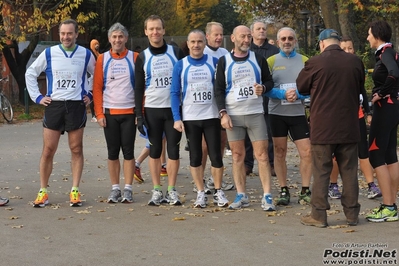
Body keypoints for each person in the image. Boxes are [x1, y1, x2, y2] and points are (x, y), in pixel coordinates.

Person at [25, 19, 96, 207]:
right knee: (48, 150)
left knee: (76, 149)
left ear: (76, 34)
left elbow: (96, 75)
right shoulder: (49, 53)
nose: (66, 37)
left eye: (69, 33)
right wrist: (38, 98)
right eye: (63, 33)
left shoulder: (86, 54)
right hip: (54, 105)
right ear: (59, 34)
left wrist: (89, 94)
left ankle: (74, 191)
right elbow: (30, 73)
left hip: (76, 105)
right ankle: (43, 191)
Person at [297, 29, 363, 227]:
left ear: (322, 44)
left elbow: (301, 87)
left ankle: (319, 215)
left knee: (322, 170)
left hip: (323, 127)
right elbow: (360, 87)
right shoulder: (355, 62)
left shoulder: (315, 62)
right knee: (350, 170)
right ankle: (352, 214)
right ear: (338, 42)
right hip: (349, 127)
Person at [215, 25, 275, 211]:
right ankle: (241, 195)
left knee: (262, 155)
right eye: (243, 36)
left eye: (249, 36)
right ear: (233, 38)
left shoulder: (258, 59)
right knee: (238, 156)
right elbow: (218, 89)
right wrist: (223, 113)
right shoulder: (224, 61)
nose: (247, 40)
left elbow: (269, 81)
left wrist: (263, 88)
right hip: (234, 115)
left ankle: (267, 195)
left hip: (255, 114)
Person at [171, 29, 229, 208]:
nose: (196, 45)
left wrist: (222, 112)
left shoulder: (215, 62)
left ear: (205, 44)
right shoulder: (180, 65)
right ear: (188, 44)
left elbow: (221, 88)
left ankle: (218, 192)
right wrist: (177, 118)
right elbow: (174, 93)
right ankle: (201, 192)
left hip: (211, 116)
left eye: (200, 42)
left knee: (216, 156)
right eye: (193, 42)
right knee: (195, 157)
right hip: (191, 118)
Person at [134, 15, 185, 206]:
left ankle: (171, 190)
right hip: (152, 110)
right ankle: (156, 190)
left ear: (164, 30)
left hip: (173, 110)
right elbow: (138, 88)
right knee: (155, 151)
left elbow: (185, 79)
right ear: (146, 32)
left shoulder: (176, 52)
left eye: (158, 28)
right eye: (151, 29)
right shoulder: (143, 57)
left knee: (173, 151)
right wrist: (139, 116)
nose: (155, 32)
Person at [328, 37, 382, 200]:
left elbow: (361, 92)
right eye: (343, 48)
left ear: (354, 50)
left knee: (363, 151)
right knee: (337, 153)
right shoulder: (334, 67)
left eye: (350, 48)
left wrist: (368, 112)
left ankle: (371, 185)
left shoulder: (357, 66)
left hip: (356, 115)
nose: (347, 51)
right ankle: (333, 185)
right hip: (338, 118)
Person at [264, 27, 312, 205]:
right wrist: (282, 94)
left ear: (295, 41)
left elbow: (313, 88)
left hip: (297, 113)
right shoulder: (270, 61)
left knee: (307, 152)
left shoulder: (305, 61)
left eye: (290, 38)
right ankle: (283, 189)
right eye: (283, 38)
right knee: (279, 151)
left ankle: (305, 190)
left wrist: (299, 95)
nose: (287, 41)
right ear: (277, 42)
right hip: (277, 114)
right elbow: (265, 88)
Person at [92, 23, 138, 203]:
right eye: (114, 37)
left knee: (128, 151)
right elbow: (97, 88)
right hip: (110, 113)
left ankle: (128, 188)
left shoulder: (135, 57)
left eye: (120, 37)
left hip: (129, 113)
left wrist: (139, 113)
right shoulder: (102, 59)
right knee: (112, 152)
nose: (117, 40)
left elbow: (141, 88)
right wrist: (99, 114)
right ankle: (115, 188)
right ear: (109, 39)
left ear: (126, 38)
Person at [365, 21, 399, 223]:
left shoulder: (386, 52)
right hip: (393, 107)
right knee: (389, 155)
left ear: (377, 35)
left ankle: (388, 206)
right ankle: (392, 204)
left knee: (375, 155)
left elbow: (394, 73)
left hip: (386, 107)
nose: (367, 38)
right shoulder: (391, 51)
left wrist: (380, 93)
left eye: (369, 34)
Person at [200, 21, 234, 193]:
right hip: (205, 106)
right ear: (207, 36)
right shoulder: (201, 52)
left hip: (221, 105)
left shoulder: (225, 53)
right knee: (205, 146)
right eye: (216, 34)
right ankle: (201, 179)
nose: (219, 37)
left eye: (221, 34)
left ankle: (215, 178)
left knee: (221, 142)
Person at [247, 20, 279, 176]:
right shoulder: (246, 50)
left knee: (269, 133)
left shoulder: (274, 51)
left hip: (268, 98)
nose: (262, 31)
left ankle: (271, 163)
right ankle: (247, 164)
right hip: (248, 99)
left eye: (264, 29)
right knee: (247, 134)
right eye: (258, 29)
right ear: (251, 33)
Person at [89, 39, 101, 122]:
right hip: (91, 77)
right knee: (92, 96)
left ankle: (98, 113)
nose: (97, 46)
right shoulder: (90, 55)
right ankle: (93, 115)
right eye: (95, 44)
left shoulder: (99, 54)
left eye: (97, 44)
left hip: (98, 76)